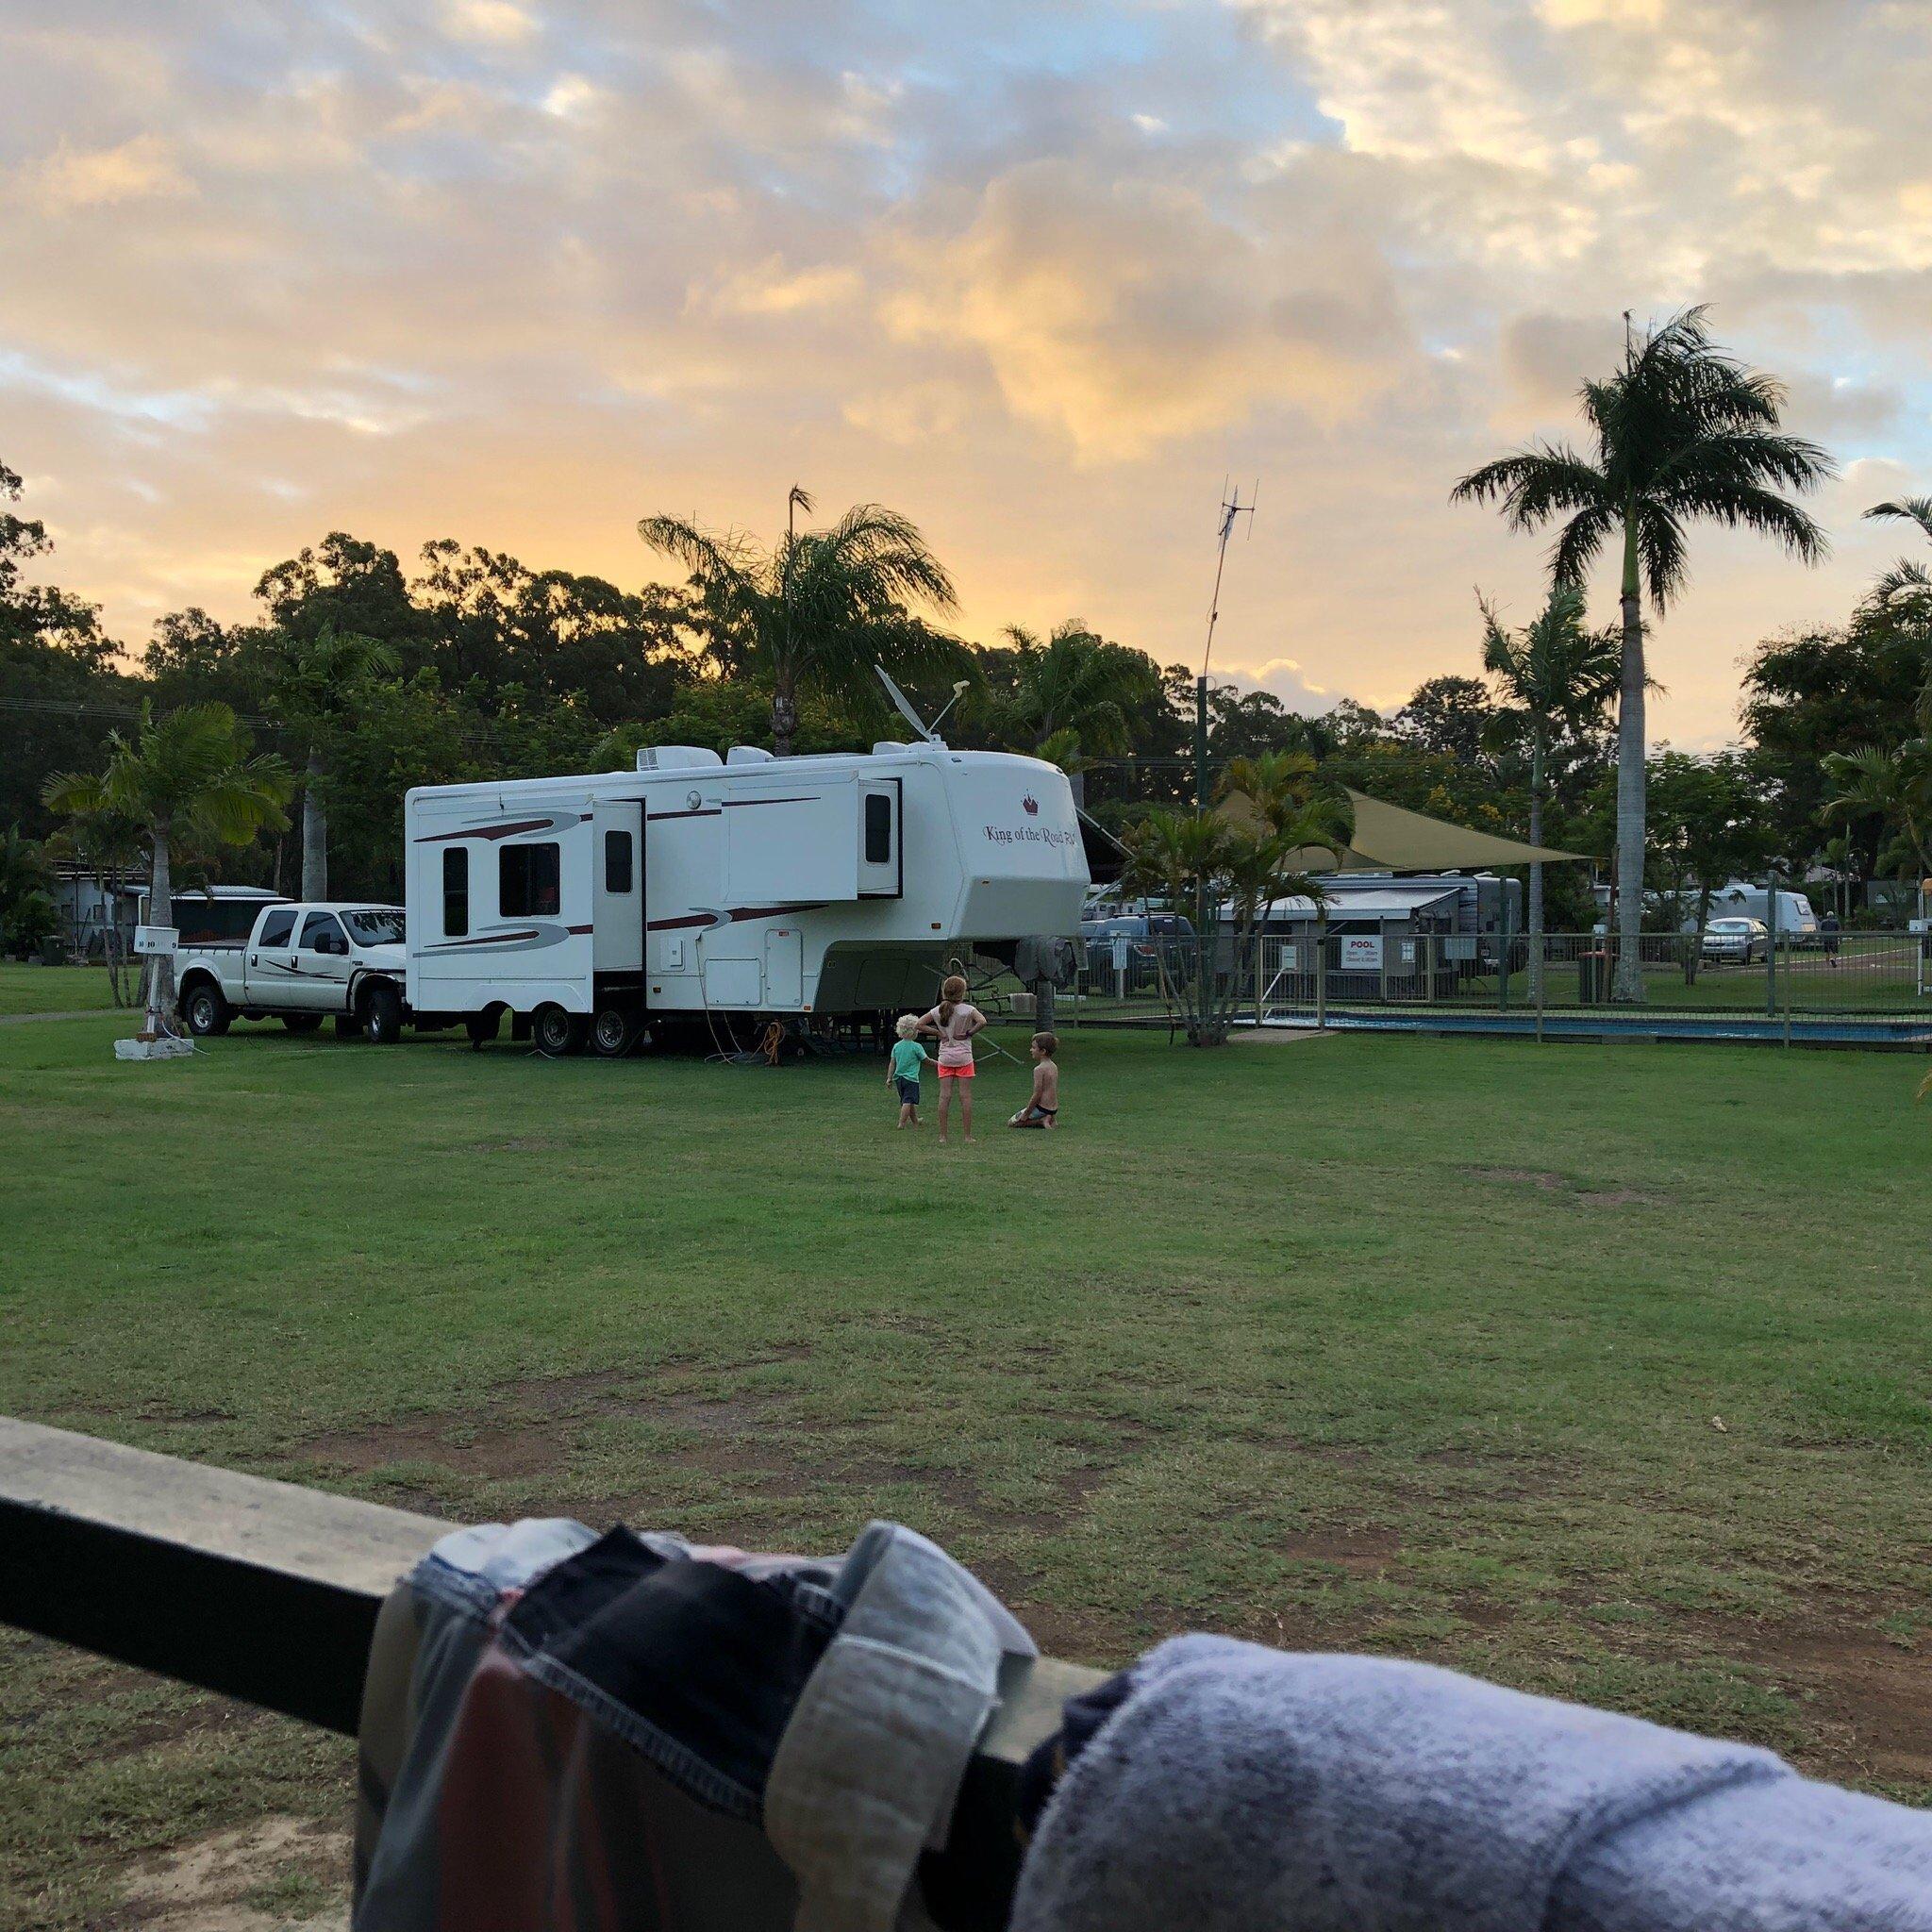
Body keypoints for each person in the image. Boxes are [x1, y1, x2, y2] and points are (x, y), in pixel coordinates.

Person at [918, 974, 987, 1143]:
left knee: (944, 1096)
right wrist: (969, 1033)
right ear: (962, 993)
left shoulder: (938, 1010)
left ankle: (943, 1136)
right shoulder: (968, 1010)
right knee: (965, 1096)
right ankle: (967, 1136)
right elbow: (982, 1021)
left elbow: (919, 1024)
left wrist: (938, 1033)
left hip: (945, 1057)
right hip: (964, 1057)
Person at [886, 1014, 933, 1128]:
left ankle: (916, 1121)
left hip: (899, 1079)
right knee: (907, 1101)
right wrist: (939, 1064)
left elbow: (892, 1063)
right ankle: (901, 1123)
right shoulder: (916, 1047)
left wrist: (889, 1077)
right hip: (911, 1079)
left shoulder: (897, 1046)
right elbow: (926, 1060)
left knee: (908, 1100)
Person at [1009, 1033, 1060, 1129]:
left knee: (1012, 1123)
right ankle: (1051, 1118)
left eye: (1033, 1048)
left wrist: (1026, 1113)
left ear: (1043, 1051)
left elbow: (1037, 1094)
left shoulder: (1039, 1069)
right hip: (1053, 1107)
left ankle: (1041, 1120)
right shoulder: (1053, 1066)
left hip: (1043, 1108)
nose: (1031, 1050)